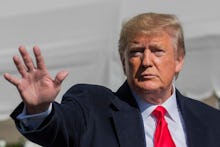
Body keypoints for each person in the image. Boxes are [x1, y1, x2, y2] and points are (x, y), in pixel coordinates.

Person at [4, 12, 220, 147]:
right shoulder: (92, 108)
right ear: (123, 60)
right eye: (136, 52)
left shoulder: (211, 121)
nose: (146, 61)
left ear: (179, 60)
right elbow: (60, 128)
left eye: (157, 51)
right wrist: (39, 109)